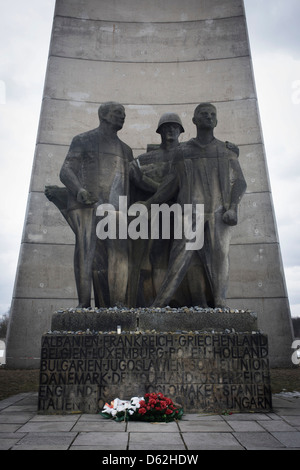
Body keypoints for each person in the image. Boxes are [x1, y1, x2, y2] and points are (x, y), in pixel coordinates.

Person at [146, 103, 247, 308]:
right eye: (203, 114)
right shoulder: (183, 151)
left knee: (220, 257)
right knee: (178, 257)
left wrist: (233, 208)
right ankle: (161, 301)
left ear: (216, 121)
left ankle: (220, 301)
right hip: (190, 213)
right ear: (194, 120)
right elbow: (171, 184)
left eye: (212, 114)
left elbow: (240, 182)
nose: (208, 117)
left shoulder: (226, 151)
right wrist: (149, 203)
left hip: (219, 214)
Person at [59, 101, 133, 308]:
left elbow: (135, 180)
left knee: (119, 253)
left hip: (116, 210)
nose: (123, 116)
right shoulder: (83, 140)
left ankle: (117, 304)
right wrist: (79, 191)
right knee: (85, 251)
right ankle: (83, 304)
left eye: (124, 113)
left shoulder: (126, 150)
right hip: (86, 205)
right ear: (103, 115)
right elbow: (66, 171)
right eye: (118, 112)